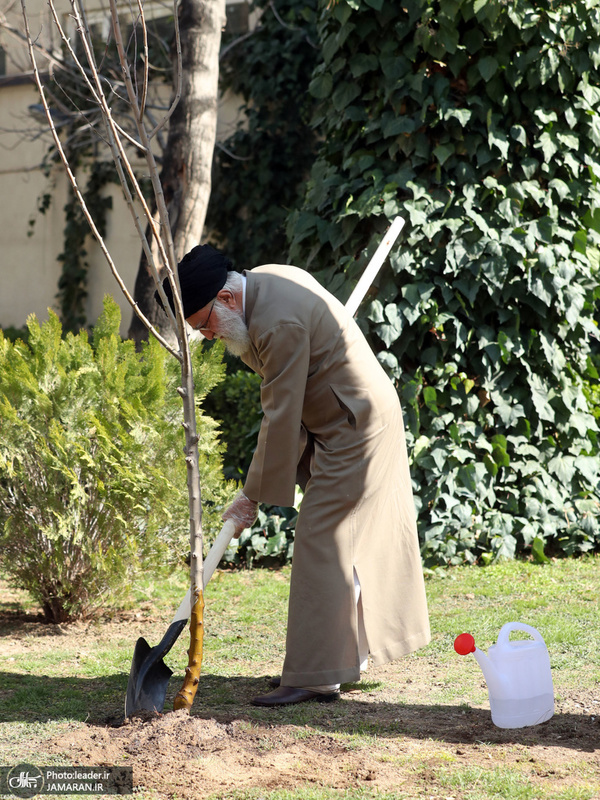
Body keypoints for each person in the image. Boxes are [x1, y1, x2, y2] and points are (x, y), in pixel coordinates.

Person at [159, 244, 431, 707]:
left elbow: (280, 414)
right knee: (342, 541)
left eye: (204, 324)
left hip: (355, 425)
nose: (206, 336)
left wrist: (250, 496)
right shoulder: (262, 281)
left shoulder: (276, 322)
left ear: (226, 299)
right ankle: (347, 658)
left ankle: (317, 676)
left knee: (321, 539)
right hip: (340, 418)